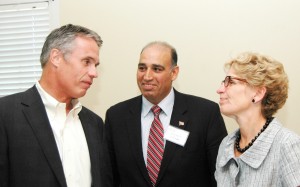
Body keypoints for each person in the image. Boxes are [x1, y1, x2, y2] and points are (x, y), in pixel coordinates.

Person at [0, 24, 111, 187]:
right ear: (56, 58)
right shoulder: (6, 114)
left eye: (95, 65)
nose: (94, 73)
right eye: (86, 62)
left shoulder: (95, 123)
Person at [104, 41, 228, 187]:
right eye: (142, 68)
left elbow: (221, 177)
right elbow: (109, 177)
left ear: (174, 73)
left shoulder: (205, 114)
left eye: (157, 69)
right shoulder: (116, 116)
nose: (147, 76)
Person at [215, 52, 300, 186]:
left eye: (230, 82)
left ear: (258, 93)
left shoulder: (287, 144)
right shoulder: (226, 145)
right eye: (223, 82)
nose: (219, 90)